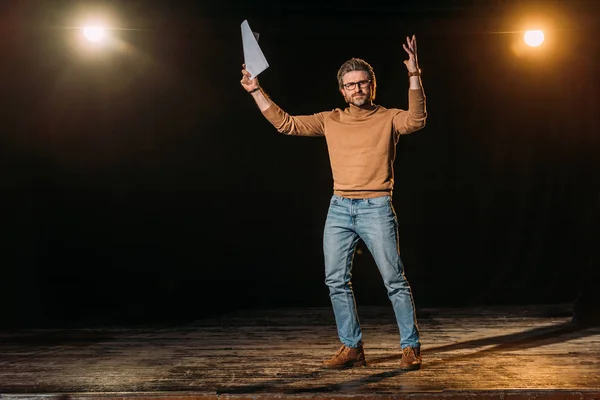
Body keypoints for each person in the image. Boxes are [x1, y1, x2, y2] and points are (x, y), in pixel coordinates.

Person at [240, 35, 427, 370]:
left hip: (377, 207)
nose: (356, 89)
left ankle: (410, 347)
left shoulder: (388, 118)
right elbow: (286, 124)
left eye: (361, 83)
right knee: (336, 280)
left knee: (394, 280)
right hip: (339, 208)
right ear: (342, 90)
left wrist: (414, 74)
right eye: (349, 85)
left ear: (372, 85)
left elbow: (416, 120)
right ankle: (351, 347)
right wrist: (256, 90)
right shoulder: (331, 119)